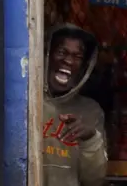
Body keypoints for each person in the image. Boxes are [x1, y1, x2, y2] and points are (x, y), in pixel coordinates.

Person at [43, 24, 107, 186]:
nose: (68, 61)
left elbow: (94, 179)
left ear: (83, 67)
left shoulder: (90, 111)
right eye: (61, 52)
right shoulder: (26, 101)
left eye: (77, 56)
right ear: (47, 56)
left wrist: (90, 139)